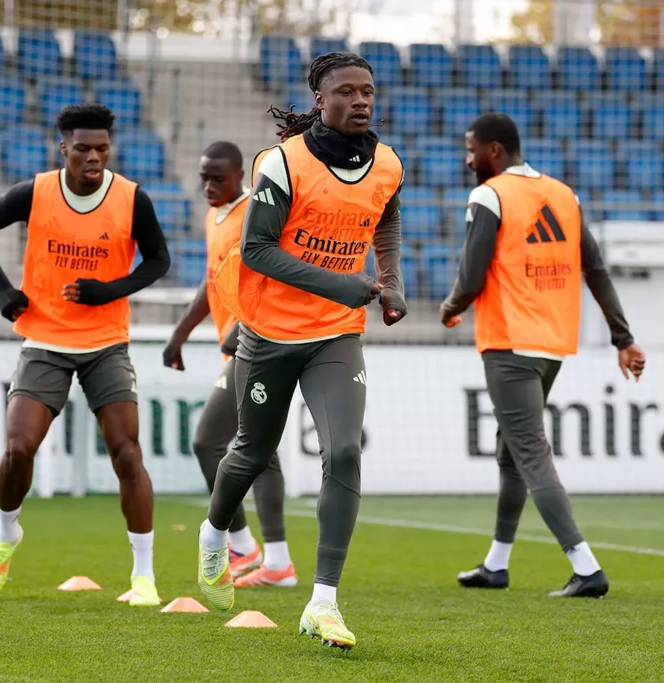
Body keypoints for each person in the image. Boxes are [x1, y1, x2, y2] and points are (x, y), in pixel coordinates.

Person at [196, 52, 407, 651]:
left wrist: (390, 282)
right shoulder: (283, 165)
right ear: (321, 100)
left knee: (343, 451)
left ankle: (323, 601)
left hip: (337, 334)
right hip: (268, 333)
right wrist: (346, 283)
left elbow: (387, 218)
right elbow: (258, 251)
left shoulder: (388, 163)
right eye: (347, 91)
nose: (361, 100)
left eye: (368, 91)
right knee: (251, 451)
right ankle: (216, 536)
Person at [0, 103, 170, 607]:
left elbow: (159, 259)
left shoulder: (130, 199)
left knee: (127, 451)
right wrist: (1, 292)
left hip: (106, 343)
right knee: (19, 449)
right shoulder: (36, 192)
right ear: (63, 148)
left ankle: (143, 576)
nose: (94, 157)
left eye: (102, 148)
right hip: (44, 341)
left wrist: (113, 290)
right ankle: (7, 531)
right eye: (83, 148)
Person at [441, 112, 645, 599]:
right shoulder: (563, 194)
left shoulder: (488, 195)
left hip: (509, 342)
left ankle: (586, 567)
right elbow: (594, 269)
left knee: (530, 453)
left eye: (472, 150)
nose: (468, 160)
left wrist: (450, 308)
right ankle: (496, 564)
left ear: (494, 150)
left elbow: (471, 277)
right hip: (551, 343)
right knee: (511, 452)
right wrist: (623, 338)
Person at [162, 141, 297, 588]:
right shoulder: (213, 216)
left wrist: (243, 327)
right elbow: (213, 280)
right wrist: (180, 333)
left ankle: (249, 549)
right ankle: (270, 559)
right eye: (203, 177)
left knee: (209, 442)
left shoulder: (252, 214)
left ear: (242, 174)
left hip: (259, 343)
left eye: (217, 178)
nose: (207, 186)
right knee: (259, 448)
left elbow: (274, 275)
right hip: (237, 347)